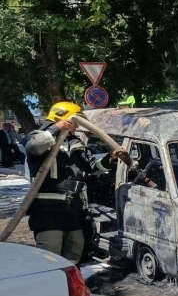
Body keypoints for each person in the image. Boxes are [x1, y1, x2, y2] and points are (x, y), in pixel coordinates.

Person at [21, 102, 130, 263]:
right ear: (64, 119)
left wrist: (110, 158)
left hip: (73, 209)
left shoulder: (75, 142)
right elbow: (34, 146)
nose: (77, 126)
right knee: (50, 256)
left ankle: (71, 279)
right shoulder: (40, 136)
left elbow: (90, 166)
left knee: (74, 252)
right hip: (48, 211)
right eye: (76, 121)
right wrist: (56, 128)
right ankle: (51, 280)